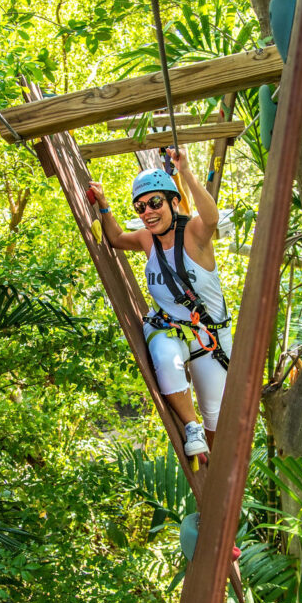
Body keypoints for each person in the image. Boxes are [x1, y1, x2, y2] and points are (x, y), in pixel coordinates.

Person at [88, 147, 232, 457]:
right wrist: (104, 206)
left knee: (218, 418)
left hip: (210, 337)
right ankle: (191, 426)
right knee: (166, 357)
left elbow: (211, 217)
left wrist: (186, 172)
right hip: (169, 328)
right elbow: (115, 238)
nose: (148, 212)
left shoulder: (194, 233)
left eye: (155, 203)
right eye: (140, 207)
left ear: (173, 202)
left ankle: (215, 464)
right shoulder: (145, 239)